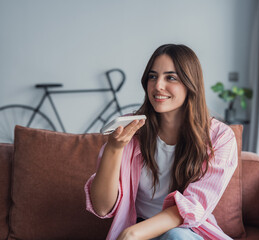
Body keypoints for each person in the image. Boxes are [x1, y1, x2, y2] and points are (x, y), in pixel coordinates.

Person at [84, 44, 238, 240]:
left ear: (191, 84)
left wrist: (132, 234)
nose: (158, 86)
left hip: (185, 231)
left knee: (176, 236)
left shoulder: (219, 137)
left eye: (171, 78)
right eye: (153, 76)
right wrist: (114, 149)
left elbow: (193, 206)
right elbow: (102, 207)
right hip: (139, 229)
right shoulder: (131, 129)